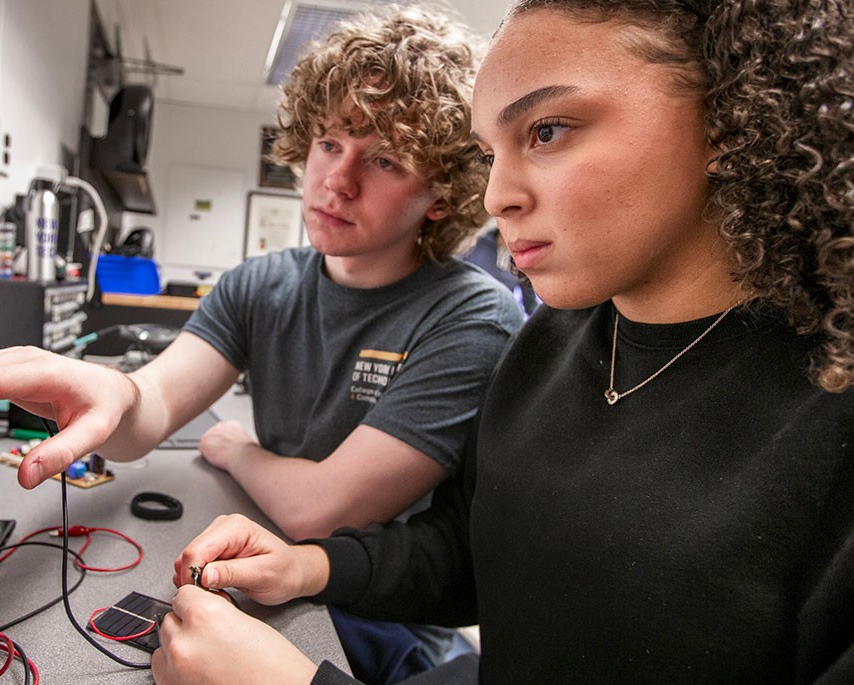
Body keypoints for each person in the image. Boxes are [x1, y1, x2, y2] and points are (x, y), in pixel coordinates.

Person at [152, 0, 854, 683]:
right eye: (491, 153)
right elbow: (470, 555)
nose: (496, 196)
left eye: (546, 131)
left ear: (728, 118)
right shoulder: (548, 346)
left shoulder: (828, 414)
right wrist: (311, 565)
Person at [0, 6, 522, 681]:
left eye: (386, 160)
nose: (337, 181)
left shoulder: (473, 316)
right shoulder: (261, 284)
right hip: (265, 566)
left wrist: (238, 449)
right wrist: (109, 390)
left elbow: (321, 509)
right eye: (330, 144)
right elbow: (154, 404)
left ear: (441, 193)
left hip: (380, 620)